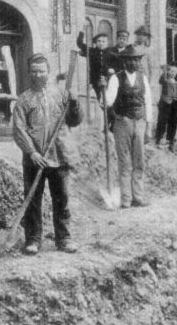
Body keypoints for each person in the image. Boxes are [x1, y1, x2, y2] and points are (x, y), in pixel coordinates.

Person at [13, 53, 82, 255]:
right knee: (33, 199)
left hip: (58, 154)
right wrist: (31, 152)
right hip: (34, 159)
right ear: (29, 73)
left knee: (61, 198)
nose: (38, 75)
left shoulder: (61, 95)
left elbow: (74, 121)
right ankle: (33, 240)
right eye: (34, 71)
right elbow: (19, 129)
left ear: (48, 72)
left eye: (41, 71)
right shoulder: (23, 100)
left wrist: (75, 103)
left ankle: (64, 238)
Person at [105, 44, 153, 209]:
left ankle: (138, 197)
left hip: (140, 122)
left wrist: (149, 127)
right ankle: (126, 199)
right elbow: (108, 101)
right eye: (130, 60)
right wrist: (103, 90)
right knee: (124, 162)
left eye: (136, 60)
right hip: (122, 123)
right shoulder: (115, 78)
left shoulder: (143, 78)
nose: (134, 63)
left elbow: (148, 102)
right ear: (124, 61)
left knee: (139, 161)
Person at [76, 31, 117, 100]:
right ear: (95, 42)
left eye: (103, 41)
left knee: (107, 99)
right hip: (94, 81)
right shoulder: (91, 51)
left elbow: (118, 64)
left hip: (107, 81)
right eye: (99, 41)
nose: (101, 43)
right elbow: (79, 43)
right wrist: (82, 32)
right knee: (96, 99)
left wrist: (113, 70)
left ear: (107, 43)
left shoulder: (111, 54)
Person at [156, 64, 177, 151]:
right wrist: (164, 71)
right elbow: (161, 79)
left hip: (174, 104)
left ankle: (170, 141)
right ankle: (159, 139)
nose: (173, 73)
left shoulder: (176, 83)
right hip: (165, 103)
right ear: (168, 72)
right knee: (162, 122)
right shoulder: (165, 80)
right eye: (172, 71)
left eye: (175, 72)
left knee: (173, 123)